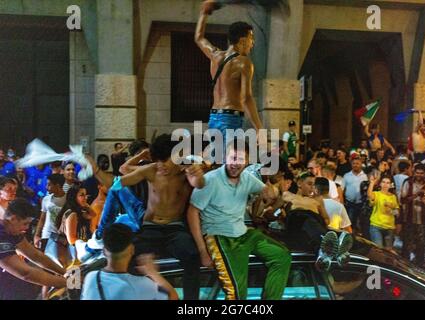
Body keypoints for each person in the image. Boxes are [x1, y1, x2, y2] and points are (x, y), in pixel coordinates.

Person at [88, 134, 204, 300]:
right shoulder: (151, 170)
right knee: (129, 258)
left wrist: (197, 176)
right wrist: (97, 171)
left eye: (165, 160)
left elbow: (199, 183)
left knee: (193, 257)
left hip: (175, 229)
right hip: (150, 227)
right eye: (157, 160)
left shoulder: (187, 172)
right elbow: (118, 182)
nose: (161, 165)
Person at [188, 140, 291, 300]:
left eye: (241, 159)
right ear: (224, 158)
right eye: (233, 158)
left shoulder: (247, 178)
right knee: (236, 294)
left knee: (282, 256)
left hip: (244, 234)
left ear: (247, 162)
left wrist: (271, 193)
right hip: (220, 238)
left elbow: (267, 193)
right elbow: (192, 213)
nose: (236, 163)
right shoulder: (210, 180)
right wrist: (203, 251)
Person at [195, 1, 264, 152]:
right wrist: (259, 129)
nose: (253, 43)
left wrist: (204, 13)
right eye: (251, 38)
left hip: (214, 117)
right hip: (230, 118)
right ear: (242, 40)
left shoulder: (215, 55)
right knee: (231, 163)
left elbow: (199, 38)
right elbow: (246, 98)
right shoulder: (244, 63)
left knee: (217, 162)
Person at [81, 223, 177, 300]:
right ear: (132, 250)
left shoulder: (91, 278)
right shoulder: (142, 285)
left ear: (104, 251)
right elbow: (173, 297)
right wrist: (152, 272)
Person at [0, 198, 66, 300]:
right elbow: (26, 273)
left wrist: (65, 273)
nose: (27, 228)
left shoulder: (12, 230)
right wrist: (69, 282)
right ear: (13, 219)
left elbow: (35, 255)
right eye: (25, 223)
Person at [55, 183, 95, 266]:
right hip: (74, 254)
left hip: (78, 252)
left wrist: (86, 206)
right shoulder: (73, 214)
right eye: (82, 195)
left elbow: (93, 215)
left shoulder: (79, 211)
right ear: (74, 197)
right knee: (74, 278)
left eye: (86, 195)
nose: (85, 197)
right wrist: (86, 245)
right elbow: (71, 239)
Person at [400, 164, 425, 265]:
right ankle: (404, 267)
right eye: (417, 172)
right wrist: (417, 194)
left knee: (421, 246)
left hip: (423, 221)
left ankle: (419, 269)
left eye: (421, 173)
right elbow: (403, 200)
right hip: (408, 219)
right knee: (407, 245)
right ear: (414, 172)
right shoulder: (408, 182)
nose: (419, 175)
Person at [33, 174, 67, 258]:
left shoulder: (68, 199)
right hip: (47, 235)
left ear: (58, 185)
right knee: (46, 262)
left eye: (49, 184)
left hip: (63, 237)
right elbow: (42, 218)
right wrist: (37, 235)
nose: (46, 187)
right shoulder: (46, 199)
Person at [367, 175, 399, 250]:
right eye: (383, 182)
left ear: (391, 185)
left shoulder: (393, 197)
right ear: (380, 184)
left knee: (388, 251)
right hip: (376, 226)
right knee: (379, 250)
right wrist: (372, 183)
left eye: (388, 183)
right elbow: (369, 195)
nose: (385, 184)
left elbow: (397, 213)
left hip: (389, 228)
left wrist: (391, 210)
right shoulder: (377, 194)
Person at [342, 157, 368, 235]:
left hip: (361, 204)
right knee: (349, 223)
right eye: (354, 163)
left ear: (361, 165)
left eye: (357, 163)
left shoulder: (365, 176)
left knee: (360, 224)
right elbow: (342, 189)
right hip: (349, 203)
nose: (355, 165)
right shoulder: (346, 175)